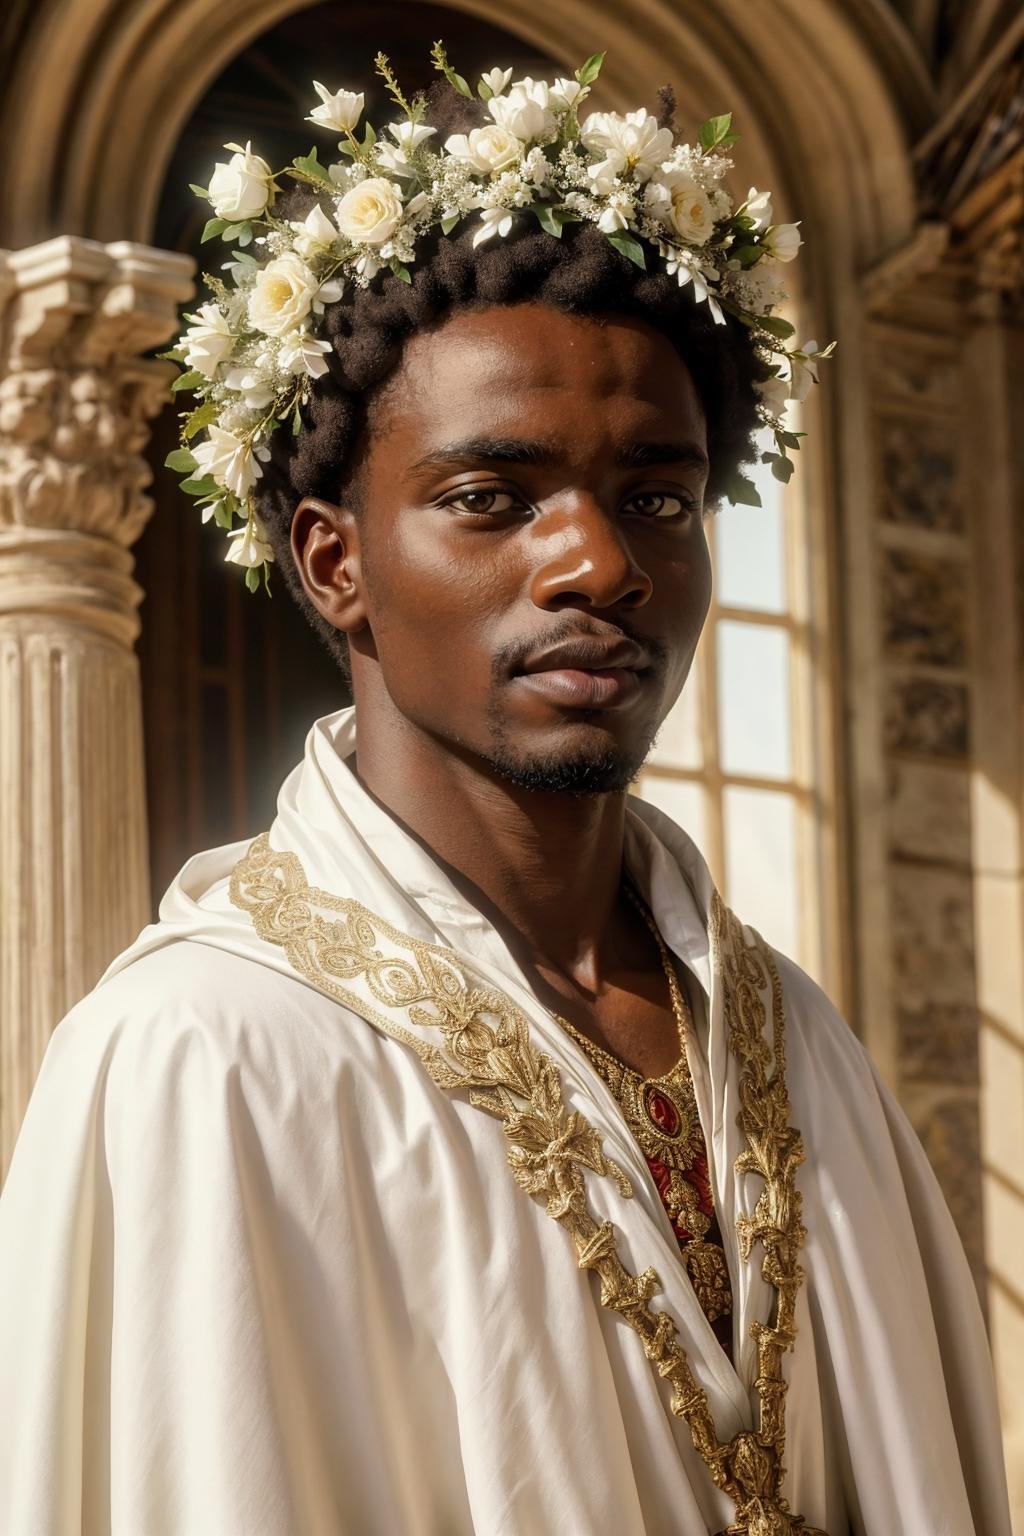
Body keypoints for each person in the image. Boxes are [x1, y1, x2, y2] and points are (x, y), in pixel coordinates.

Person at [0, 48, 1012, 1536]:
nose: (599, 563)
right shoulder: (198, 1061)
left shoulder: (799, 1041)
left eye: (657, 499)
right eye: (491, 497)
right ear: (333, 562)